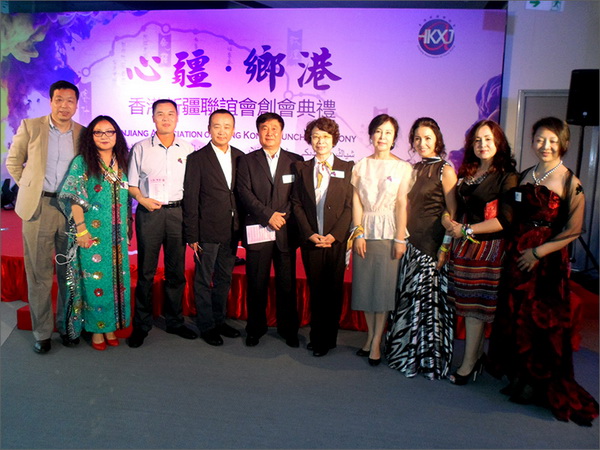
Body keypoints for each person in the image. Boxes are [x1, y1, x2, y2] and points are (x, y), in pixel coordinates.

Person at [487, 117, 599, 426]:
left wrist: (538, 253)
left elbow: (573, 230)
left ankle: (536, 383)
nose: (545, 146)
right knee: (516, 315)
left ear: (563, 143)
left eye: (552, 140)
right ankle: (519, 375)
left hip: (547, 262)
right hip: (517, 256)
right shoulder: (526, 174)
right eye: (539, 139)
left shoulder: (571, 182)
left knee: (540, 322)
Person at [5, 80, 85, 353]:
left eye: (70, 100)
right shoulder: (31, 127)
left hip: (70, 209)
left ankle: (67, 326)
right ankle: (42, 333)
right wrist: (30, 187)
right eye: (59, 100)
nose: (64, 105)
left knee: (68, 272)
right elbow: (13, 161)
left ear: (76, 104)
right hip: (38, 207)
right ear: (51, 101)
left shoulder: (83, 133)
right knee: (38, 272)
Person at [446, 119, 518, 385]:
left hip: (487, 249)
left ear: (499, 142)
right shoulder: (470, 171)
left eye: (488, 139)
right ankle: (474, 358)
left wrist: (467, 230)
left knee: (475, 310)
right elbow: (457, 206)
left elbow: (505, 220)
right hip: (464, 247)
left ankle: (468, 364)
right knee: (467, 308)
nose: (482, 144)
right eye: (477, 140)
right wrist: (450, 222)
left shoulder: (507, 175)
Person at [385, 117, 457, 379]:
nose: (422, 143)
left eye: (427, 138)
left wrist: (444, 248)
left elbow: (452, 212)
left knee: (428, 303)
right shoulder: (413, 168)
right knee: (409, 299)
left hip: (432, 244)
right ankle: (405, 355)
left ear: (437, 140)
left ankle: (427, 360)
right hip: (410, 241)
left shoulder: (445, 170)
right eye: (417, 138)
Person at [127, 99, 198, 348]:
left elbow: (193, 186)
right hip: (150, 214)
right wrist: (142, 200)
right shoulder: (140, 148)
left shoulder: (188, 149)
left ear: (177, 118)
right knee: (146, 272)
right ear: (153, 118)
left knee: (175, 271)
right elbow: (131, 184)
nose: (165, 118)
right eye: (160, 114)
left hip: (178, 213)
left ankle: (175, 321)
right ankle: (142, 325)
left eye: (170, 114)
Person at [57, 115, 131, 350]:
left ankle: (110, 326)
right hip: (92, 234)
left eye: (109, 132)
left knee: (116, 281)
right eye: (98, 132)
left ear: (117, 135)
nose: (104, 136)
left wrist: (127, 228)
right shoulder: (82, 162)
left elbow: (126, 197)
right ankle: (96, 329)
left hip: (117, 237)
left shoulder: (122, 161)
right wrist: (81, 230)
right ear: (91, 137)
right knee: (95, 280)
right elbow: (74, 198)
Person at [236, 112, 303, 348]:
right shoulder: (246, 161)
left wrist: (281, 217)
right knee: (256, 283)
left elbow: (298, 195)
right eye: (265, 128)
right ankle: (255, 328)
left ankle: (288, 329)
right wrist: (268, 215)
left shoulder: (295, 161)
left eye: (275, 128)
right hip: (258, 229)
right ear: (258, 132)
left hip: (285, 231)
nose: (270, 132)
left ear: (282, 132)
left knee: (287, 284)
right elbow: (244, 193)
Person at [350, 114, 412, 366]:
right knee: (365, 288)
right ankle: (370, 336)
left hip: (389, 234)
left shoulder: (402, 167)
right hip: (365, 233)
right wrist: (358, 232)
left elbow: (402, 205)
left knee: (383, 290)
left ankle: (377, 340)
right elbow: (356, 202)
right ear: (371, 135)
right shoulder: (360, 165)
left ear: (394, 138)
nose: (382, 137)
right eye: (378, 131)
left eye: (388, 132)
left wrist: (400, 238)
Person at [291, 117, 354, 356]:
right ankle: (317, 338)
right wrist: (309, 233)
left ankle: (330, 337)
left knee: (333, 290)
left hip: (335, 241)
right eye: (316, 136)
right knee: (316, 290)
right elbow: (296, 203)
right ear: (310, 139)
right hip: (312, 240)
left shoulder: (347, 167)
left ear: (334, 139)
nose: (320, 141)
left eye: (326, 137)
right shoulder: (301, 168)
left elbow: (349, 206)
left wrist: (335, 235)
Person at [182, 109, 244, 346]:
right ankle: (206, 326)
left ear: (233, 130)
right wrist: (192, 234)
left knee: (224, 279)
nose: (222, 131)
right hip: (206, 231)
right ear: (209, 129)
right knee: (203, 279)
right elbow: (191, 198)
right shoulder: (197, 158)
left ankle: (220, 321)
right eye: (217, 126)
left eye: (227, 126)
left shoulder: (240, 157)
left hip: (231, 231)